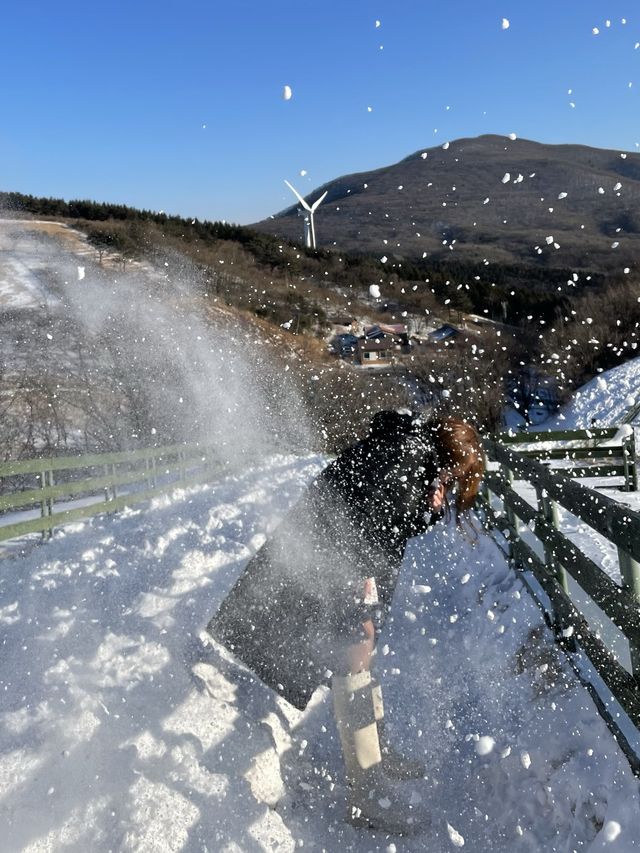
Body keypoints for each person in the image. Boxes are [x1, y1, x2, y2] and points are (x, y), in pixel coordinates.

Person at [208, 410, 485, 834]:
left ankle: (376, 750)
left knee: (362, 647)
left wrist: (429, 506)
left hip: (341, 548)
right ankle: (366, 794)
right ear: (445, 456)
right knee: (354, 649)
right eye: (453, 475)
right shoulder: (406, 461)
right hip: (333, 551)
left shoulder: (414, 457)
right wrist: (360, 586)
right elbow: (367, 520)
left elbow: (397, 519)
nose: (450, 486)